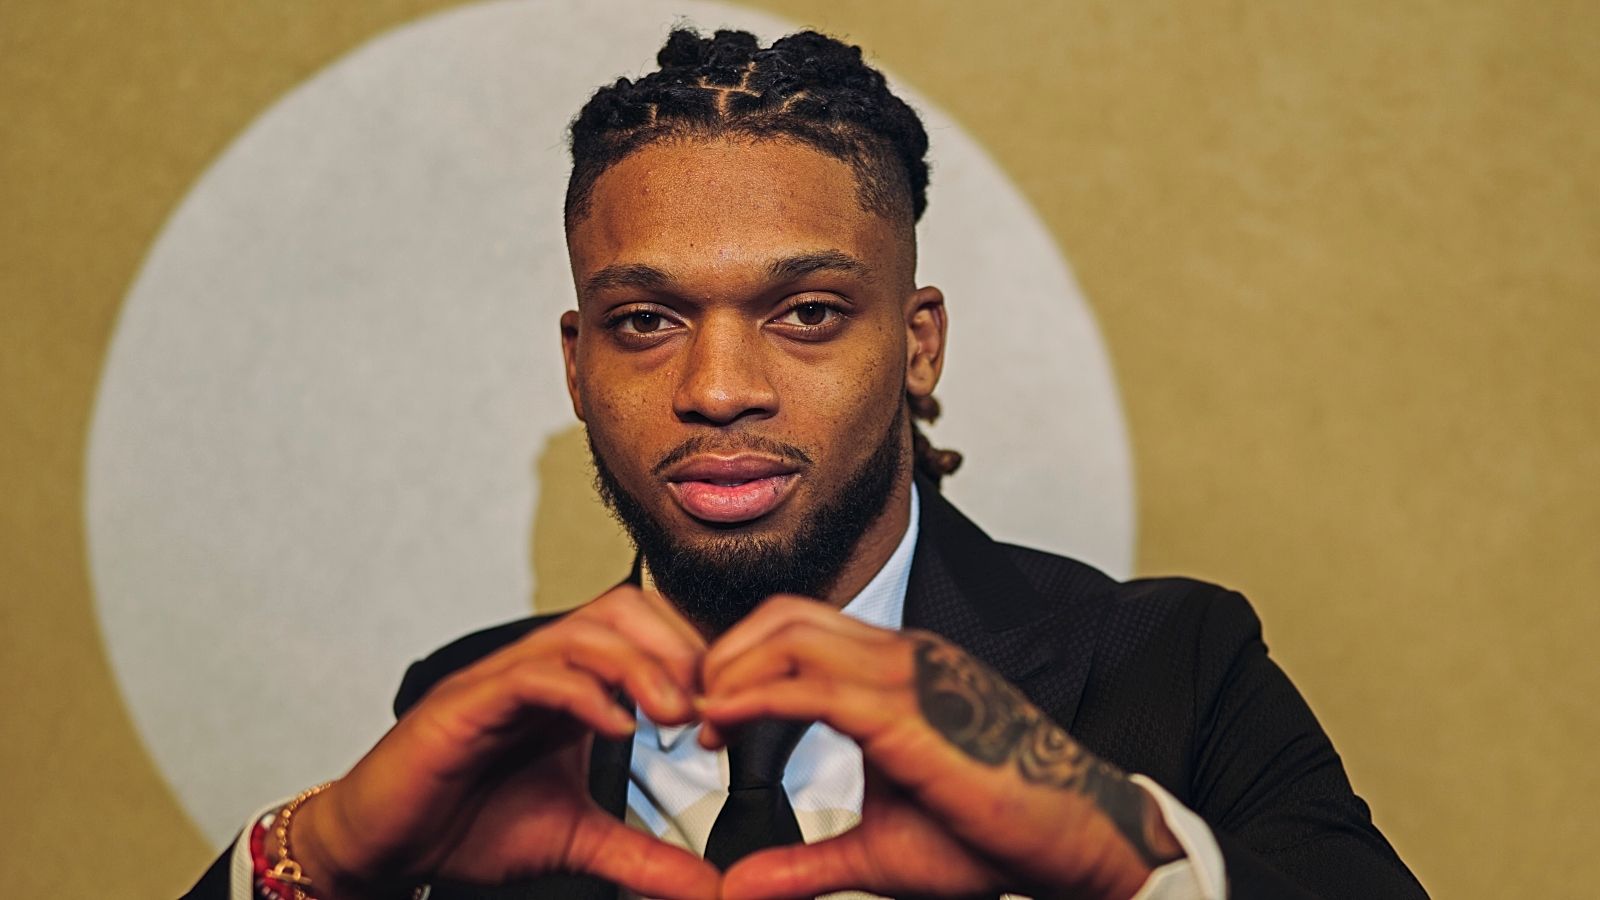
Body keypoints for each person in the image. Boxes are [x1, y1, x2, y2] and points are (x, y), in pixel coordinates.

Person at [184, 27, 1427, 900]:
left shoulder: (1172, 669)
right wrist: (323, 855)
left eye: (809, 313)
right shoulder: (478, 708)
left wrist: (1119, 860)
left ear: (916, 342)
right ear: (578, 365)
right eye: (645, 322)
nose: (718, 389)